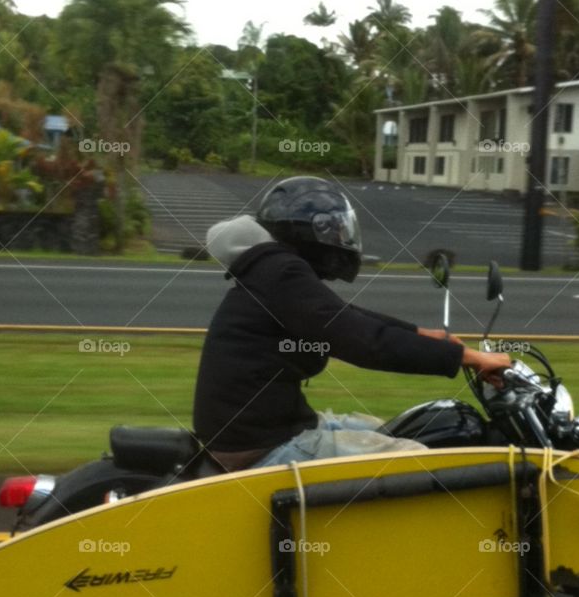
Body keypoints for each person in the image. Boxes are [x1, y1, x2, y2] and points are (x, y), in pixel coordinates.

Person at [192, 176, 510, 473]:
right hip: (259, 447)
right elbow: (363, 341)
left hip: (267, 429)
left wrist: (423, 335)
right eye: (334, 229)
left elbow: (345, 316)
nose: (341, 238)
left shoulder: (271, 270)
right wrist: (465, 357)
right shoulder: (279, 272)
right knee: (414, 462)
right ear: (308, 232)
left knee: (395, 427)